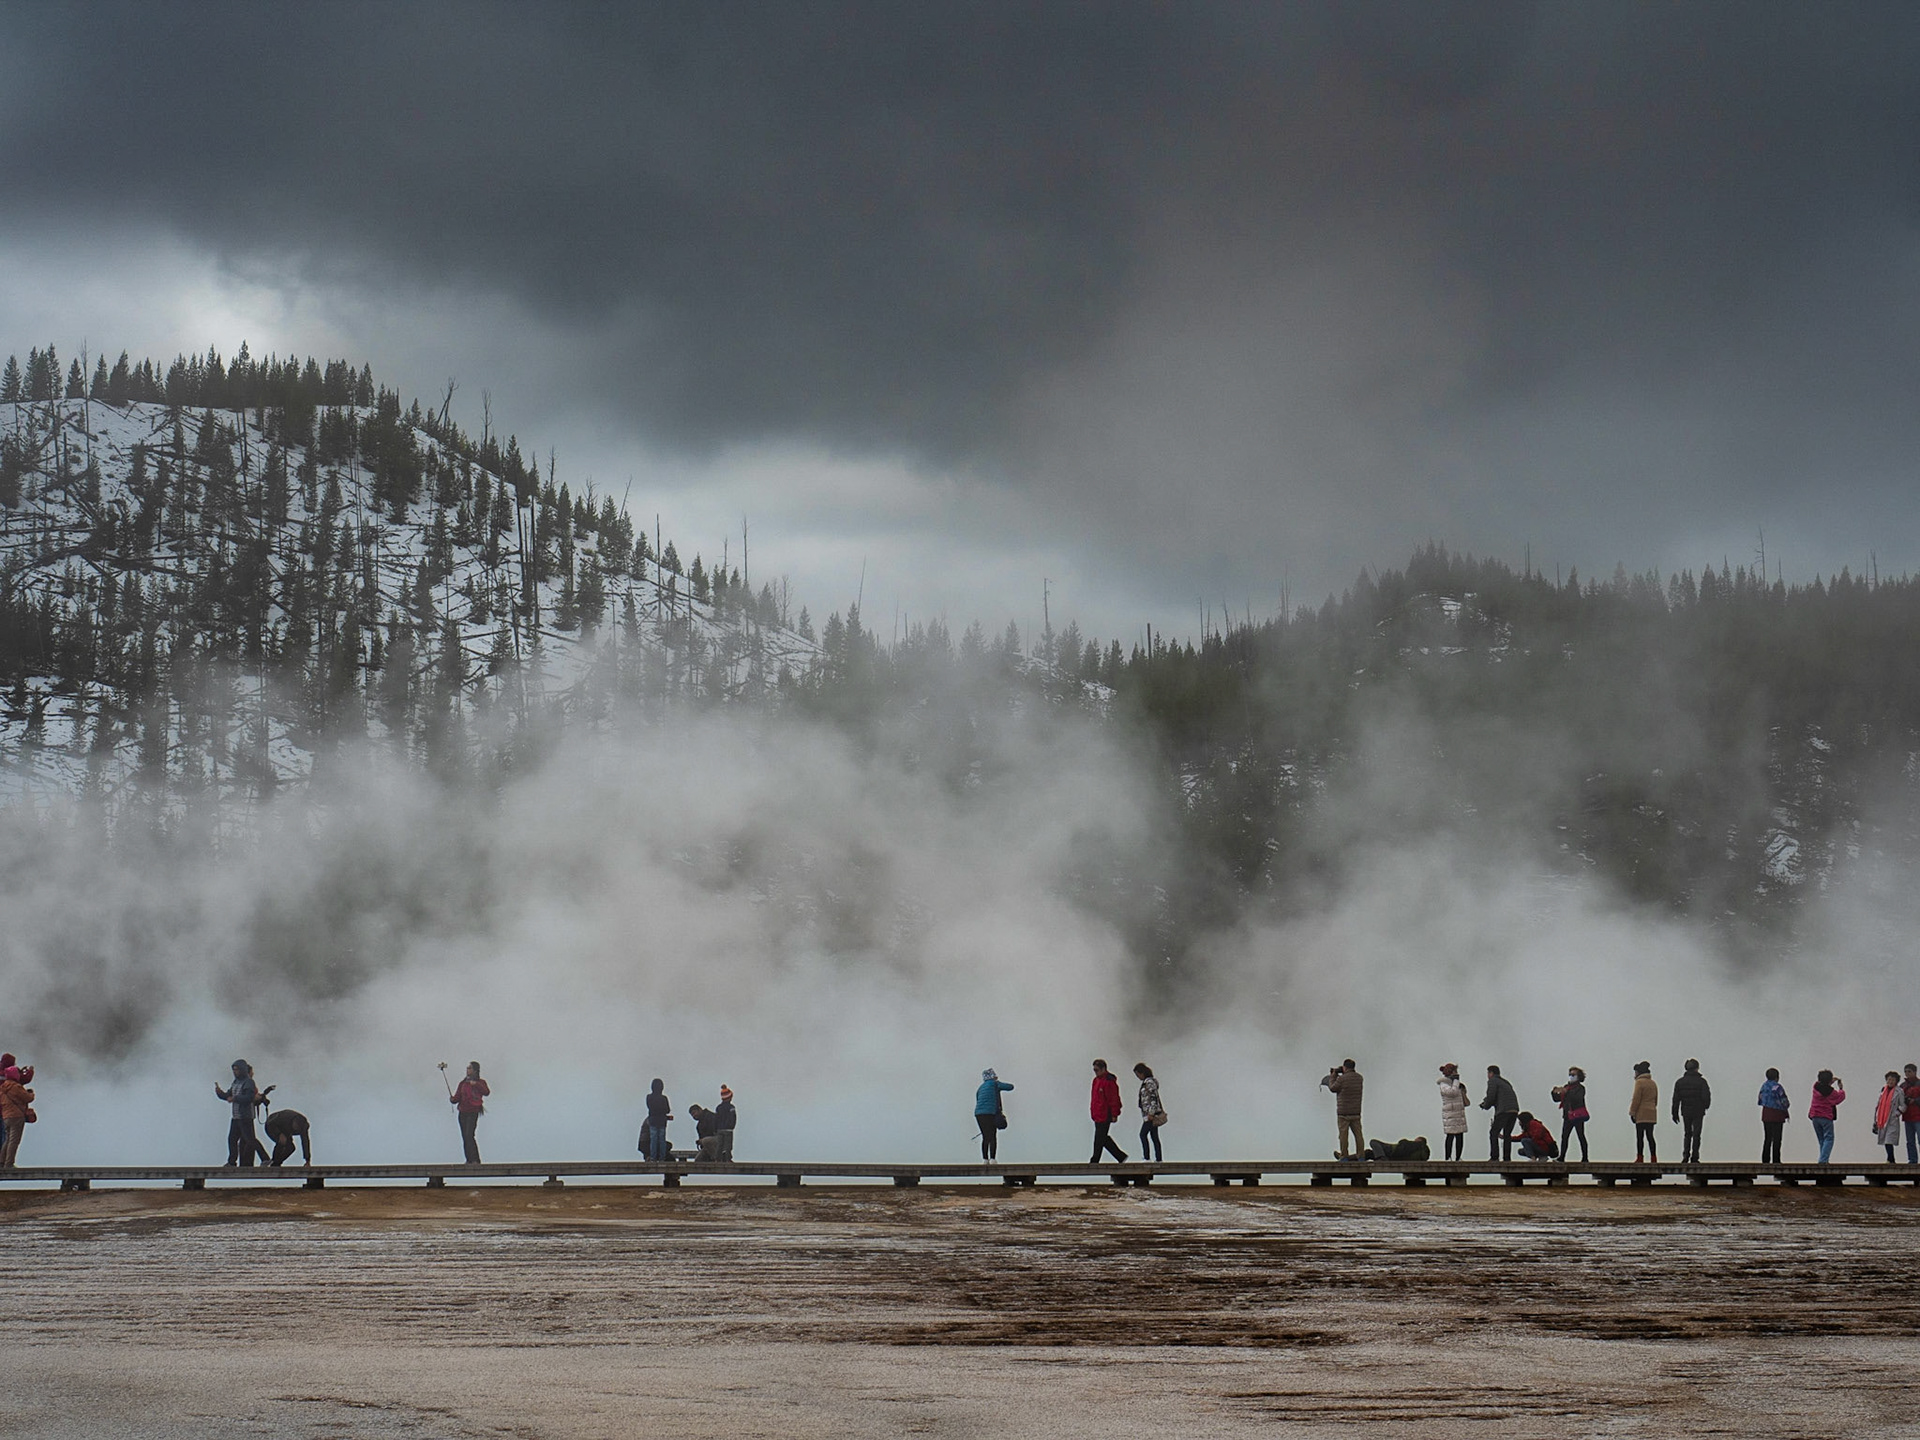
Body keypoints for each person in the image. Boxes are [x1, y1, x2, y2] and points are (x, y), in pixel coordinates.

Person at [215, 1060, 265, 1168]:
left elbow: (249, 1097)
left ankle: (265, 1158)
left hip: (245, 1116)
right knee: (232, 1139)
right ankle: (232, 1162)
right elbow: (228, 1095)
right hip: (236, 1116)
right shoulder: (235, 1082)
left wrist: (235, 1098)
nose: (235, 1072)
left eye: (237, 1069)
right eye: (233, 1070)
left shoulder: (249, 1082)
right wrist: (220, 1094)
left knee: (250, 1139)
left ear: (242, 1070)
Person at [1322, 1059, 1365, 1161]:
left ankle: (1344, 1156)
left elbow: (1332, 1088)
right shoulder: (1359, 1078)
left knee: (1343, 1136)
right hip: (1356, 1111)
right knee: (1358, 1135)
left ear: (1345, 1067)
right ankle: (1361, 1156)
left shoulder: (1342, 1079)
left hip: (1343, 1113)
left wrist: (1333, 1075)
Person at [1672, 1059, 1711, 1164]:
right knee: (1697, 1134)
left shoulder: (1680, 1082)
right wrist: (1705, 1106)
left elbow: (1676, 1099)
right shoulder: (1702, 1081)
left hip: (1686, 1111)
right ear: (1697, 1068)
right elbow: (1706, 1097)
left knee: (1687, 1133)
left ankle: (1685, 1156)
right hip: (1698, 1111)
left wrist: (1674, 1113)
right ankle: (1695, 1157)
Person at [1089, 1059, 1127, 1163]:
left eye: (1097, 1070)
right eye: (1094, 1070)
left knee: (1099, 1138)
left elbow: (1113, 1099)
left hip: (1105, 1113)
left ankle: (1095, 1160)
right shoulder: (1096, 1081)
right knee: (1102, 1138)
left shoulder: (1109, 1081)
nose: (1095, 1072)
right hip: (1097, 1113)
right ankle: (1120, 1156)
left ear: (1103, 1069)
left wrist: (1115, 1114)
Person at [453, 1061, 490, 1165]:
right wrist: (452, 1099)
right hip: (463, 1112)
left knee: (469, 1135)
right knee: (465, 1136)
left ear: (475, 1070)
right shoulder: (463, 1083)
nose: (467, 1070)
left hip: (473, 1112)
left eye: (469, 1068)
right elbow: (457, 1097)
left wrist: (476, 1085)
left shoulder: (480, 1082)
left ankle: (475, 1159)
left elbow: (486, 1092)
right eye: (467, 1068)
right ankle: (469, 1159)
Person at [1480, 1065, 1519, 1162]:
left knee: (1494, 1133)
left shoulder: (1493, 1081)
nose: (1488, 1076)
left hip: (1503, 1110)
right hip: (1514, 1110)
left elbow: (1491, 1096)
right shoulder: (1505, 1082)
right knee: (1507, 1134)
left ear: (1491, 1073)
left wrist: (1485, 1105)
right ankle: (1507, 1158)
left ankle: (1494, 1157)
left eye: (1488, 1073)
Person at [1552, 1067, 1590, 1163]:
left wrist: (1566, 1092)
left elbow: (1577, 1098)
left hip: (1577, 1116)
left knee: (1580, 1135)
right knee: (1564, 1136)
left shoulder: (1580, 1088)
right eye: (1570, 1074)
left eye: (1573, 1075)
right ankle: (1562, 1157)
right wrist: (1554, 1092)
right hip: (1567, 1116)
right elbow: (1557, 1099)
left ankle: (1585, 1157)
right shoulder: (1567, 1087)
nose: (1571, 1077)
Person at [0, 1062, 34, 1167]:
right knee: (14, 1141)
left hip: (6, 1116)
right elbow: (28, 1098)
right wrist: (31, 1093)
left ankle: (1, 1161)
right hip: (16, 1116)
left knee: (7, 1140)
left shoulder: (2, 1087)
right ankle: (9, 1163)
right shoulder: (15, 1087)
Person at [975, 1068, 1013, 1162]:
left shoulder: (980, 1088)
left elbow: (978, 1099)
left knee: (985, 1136)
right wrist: (997, 1081)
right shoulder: (995, 1084)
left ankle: (985, 1159)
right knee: (992, 1136)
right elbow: (1010, 1087)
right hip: (990, 1113)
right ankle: (992, 1159)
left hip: (979, 1114)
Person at [1808, 1070, 1845, 1165]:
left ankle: (1823, 1158)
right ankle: (1823, 1160)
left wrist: (1830, 1082)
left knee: (1821, 1139)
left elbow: (1823, 1085)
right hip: (1826, 1117)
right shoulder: (1831, 1092)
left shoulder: (1815, 1086)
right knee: (1829, 1138)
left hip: (1815, 1116)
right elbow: (1839, 1098)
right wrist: (1841, 1088)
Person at [1436, 1063, 1470, 1162]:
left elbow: (1464, 1099)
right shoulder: (1443, 1084)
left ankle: (1458, 1157)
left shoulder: (1458, 1084)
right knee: (1450, 1135)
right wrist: (1456, 1082)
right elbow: (1452, 1092)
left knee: (1460, 1136)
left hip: (1459, 1112)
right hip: (1450, 1112)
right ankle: (1448, 1157)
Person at [1134, 1063, 1165, 1163]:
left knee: (1143, 1134)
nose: (1138, 1077)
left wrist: (1151, 1113)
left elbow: (1153, 1098)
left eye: (1138, 1074)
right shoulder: (1148, 1082)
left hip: (1151, 1115)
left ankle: (1147, 1157)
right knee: (1154, 1136)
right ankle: (1159, 1158)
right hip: (1149, 1114)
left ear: (1142, 1073)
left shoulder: (1149, 1083)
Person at [1757, 1068, 1790, 1165]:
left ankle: (1765, 1160)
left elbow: (1760, 1100)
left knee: (1767, 1137)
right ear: (1777, 1077)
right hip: (1777, 1115)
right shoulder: (1777, 1087)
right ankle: (1776, 1160)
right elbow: (1785, 1102)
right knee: (1777, 1138)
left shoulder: (1764, 1086)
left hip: (1766, 1114)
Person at [1629, 1061, 1659, 1163]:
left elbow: (1636, 1099)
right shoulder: (1653, 1083)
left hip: (1641, 1113)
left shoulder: (1639, 1082)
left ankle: (1640, 1157)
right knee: (1650, 1136)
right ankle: (1653, 1157)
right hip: (1651, 1113)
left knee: (1640, 1136)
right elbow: (1656, 1100)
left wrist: (1632, 1112)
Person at [1873, 1072, 1902, 1163]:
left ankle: (1890, 1159)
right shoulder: (1883, 1091)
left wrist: (1897, 1114)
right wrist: (1875, 1120)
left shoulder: (1899, 1091)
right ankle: (1891, 1159)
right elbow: (1878, 1105)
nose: (1890, 1081)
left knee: (1889, 1140)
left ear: (1896, 1081)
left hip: (1892, 1119)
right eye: (1889, 1079)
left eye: (1893, 1080)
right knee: (1885, 1140)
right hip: (1882, 1119)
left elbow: (1903, 1105)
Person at [642, 1077, 672, 1163]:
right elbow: (667, 1109)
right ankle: (662, 1158)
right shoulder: (664, 1098)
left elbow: (649, 1107)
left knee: (654, 1139)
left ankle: (653, 1157)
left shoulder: (649, 1097)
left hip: (653, 1120)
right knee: (661, 1139)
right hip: (662, 1121)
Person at [1902, 1064, 1920, 1166]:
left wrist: (1915, 1101)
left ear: (1914, 1072)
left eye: (1909, 1071)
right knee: (1910, 1141)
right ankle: (1912, 1160)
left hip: (1918, 1116)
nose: (1907, 1074)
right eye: (1906, 1072)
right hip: (1908, 1116)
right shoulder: (1903, 1086)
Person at [714, 1085, 737, 1162]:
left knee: (719, 1145)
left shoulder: (718, 1107)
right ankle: (727, 1159)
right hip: (728, 1130)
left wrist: (716, 1128)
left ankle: (717, 1158)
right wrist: (732, 1126)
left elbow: (716, 1119)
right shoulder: (731, 1107)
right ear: (730, 1097)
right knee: (728, 1146)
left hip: (720, 1129)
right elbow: (733, 1117)